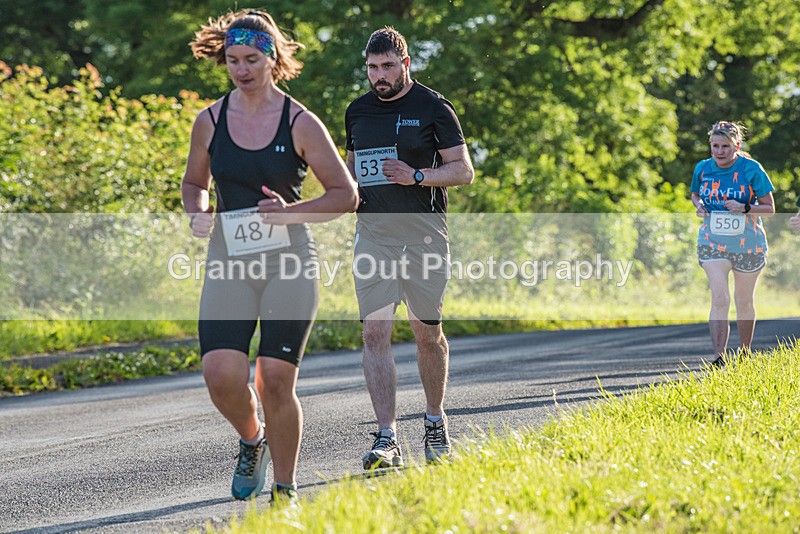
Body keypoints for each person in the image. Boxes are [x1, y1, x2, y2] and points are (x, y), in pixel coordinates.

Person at [183, 9, 358, 502]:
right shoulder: (210, 120)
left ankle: (286, 490)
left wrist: (290, 213)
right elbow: (194, 183)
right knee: (221, 374)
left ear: (273, 59)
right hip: (229, 262)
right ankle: (251, 438)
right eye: (233, 60)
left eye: (252, 59)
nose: (242, 70)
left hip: (289, 263)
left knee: (275, 377)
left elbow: (345, 195)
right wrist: (198, 212)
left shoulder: (300, 122)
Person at [344, 27, 474, 469]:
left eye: (387, 67)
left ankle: (435, 422)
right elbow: (352, 170)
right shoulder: (357, 112)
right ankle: (386, 438)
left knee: (426, 332)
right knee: (374, 333)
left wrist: (416, 176)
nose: (379, 76)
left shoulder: (434, 107)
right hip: (374, 236)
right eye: (372, 68)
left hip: (424, 234)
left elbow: (463, 171)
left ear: (406, 64)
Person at [690, 121, 775, 367]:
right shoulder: (703, 168)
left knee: (744, 301)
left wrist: (745, 207)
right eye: (715, 146)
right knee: (720, 297)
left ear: (737, 145)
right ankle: (719, 357)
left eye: (725, 146)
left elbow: (770, 209)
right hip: (711, 241)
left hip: (748, 244)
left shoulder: (752, 169)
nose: (719, 151)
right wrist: (699, 205)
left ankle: (745, 352)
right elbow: (695, 193)